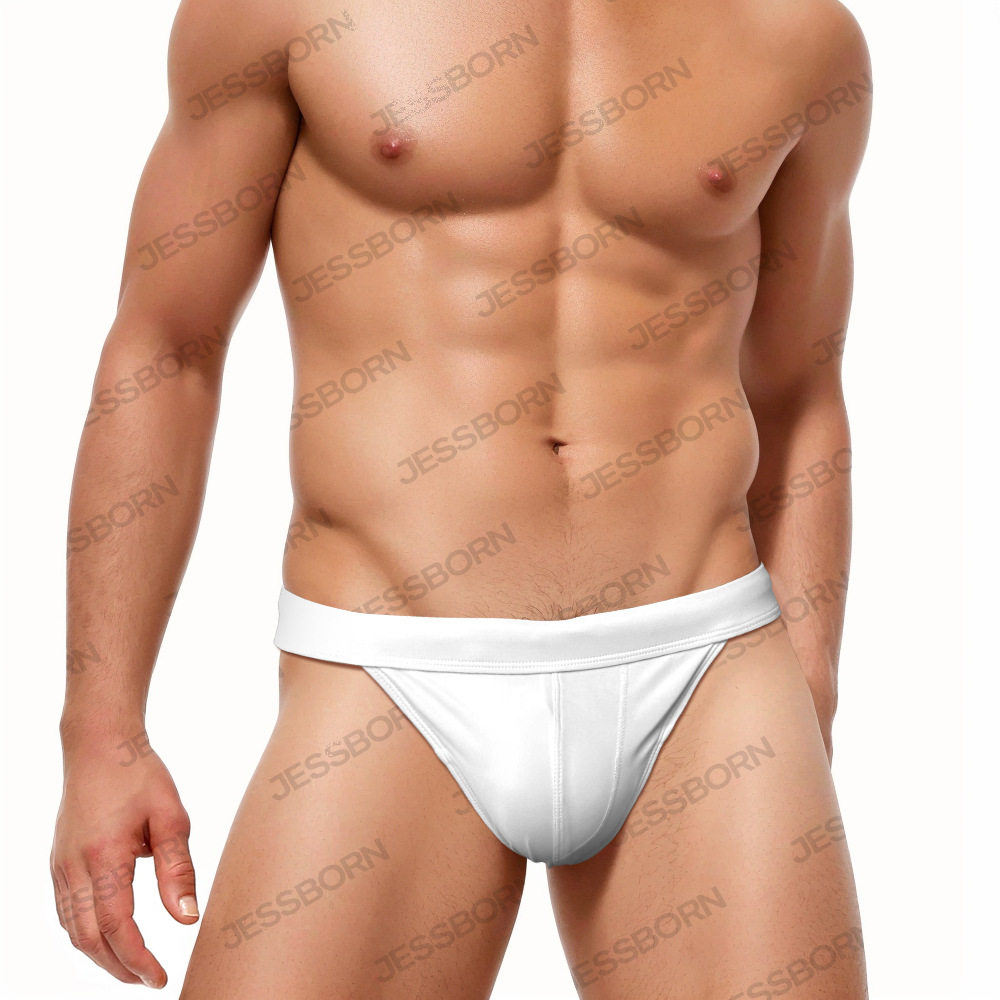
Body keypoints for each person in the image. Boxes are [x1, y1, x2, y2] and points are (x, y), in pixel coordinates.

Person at [52, 0, 873, 995]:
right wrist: (103, 734)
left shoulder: (795, 32)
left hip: (706, 663)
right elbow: (166, 350)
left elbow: (800, 390)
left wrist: (810, 691)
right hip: (390, 666)